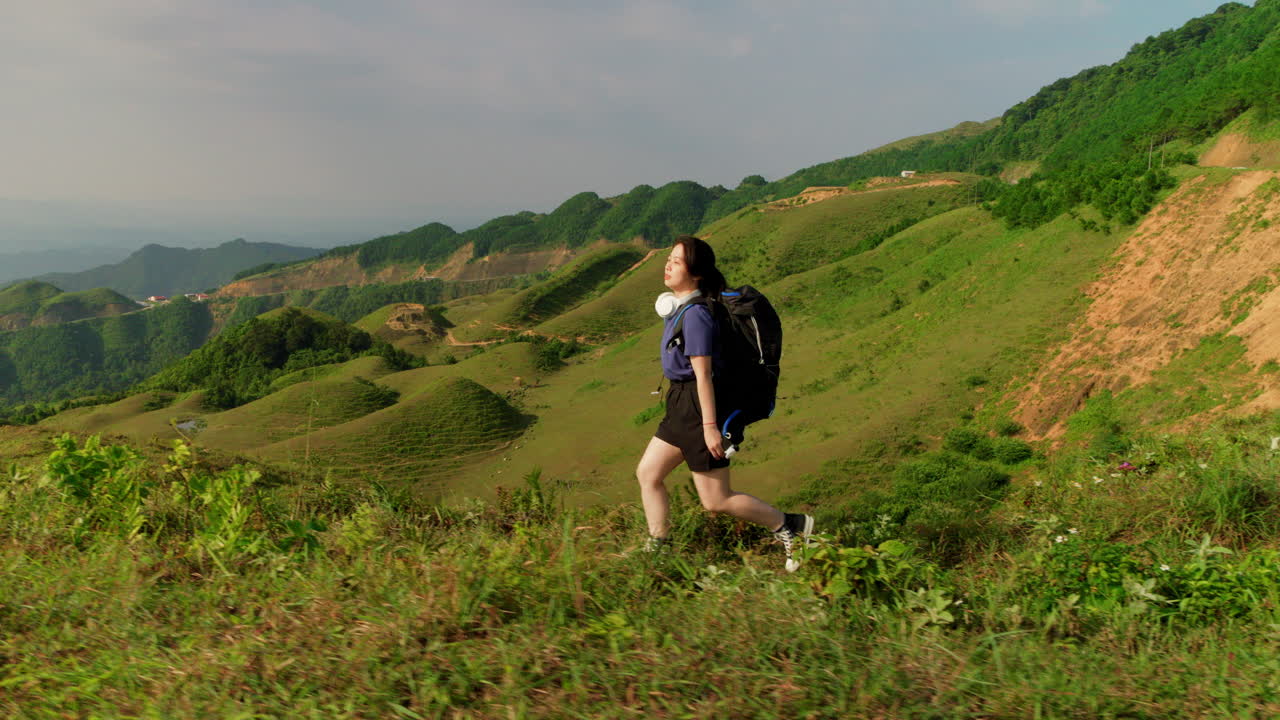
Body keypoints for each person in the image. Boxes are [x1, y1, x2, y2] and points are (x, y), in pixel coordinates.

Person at [635, 235, 814, 571]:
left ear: (696, 273)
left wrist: (709, 428)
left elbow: (703, 376)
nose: (668, 265)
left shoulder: (696, 316)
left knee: (716, 500)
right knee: (648, 473)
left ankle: (790, 525)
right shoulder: (680, 309)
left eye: (677, 261)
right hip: (679, 405)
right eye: (669, 259)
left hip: (697, 407)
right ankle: (659, 546)